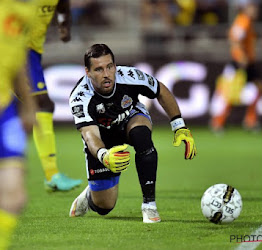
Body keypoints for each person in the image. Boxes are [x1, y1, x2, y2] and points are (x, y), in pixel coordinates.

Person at [68, 44, 197, 223]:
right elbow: (90, 135)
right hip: (102, 138)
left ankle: (149, 205)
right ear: (87, 72)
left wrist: (179, 125)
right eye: (98, 69)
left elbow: (160, 90)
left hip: (131, 118)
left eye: (110, 67)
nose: (106, 74)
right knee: (105, 207)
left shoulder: (129, 76)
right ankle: (91, 195)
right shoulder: (80, 97)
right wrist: (103, 155)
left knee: (142, 136)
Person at [28, 0, 82, 191]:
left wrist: (63, 24)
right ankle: (52, 175)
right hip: (14, 49)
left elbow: (63, 7)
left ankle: (52, 175)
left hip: (32, 53)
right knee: (43, 104)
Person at [0, 0, 36, 249]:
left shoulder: (28, 11)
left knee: (15, 195)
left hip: (5, 111)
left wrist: (29, 106)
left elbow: (18, 58)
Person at [210, 3, 262, 133]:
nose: (256, 10)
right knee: (230, 93)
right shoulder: (243, 20)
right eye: (253, 7)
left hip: (248, 63)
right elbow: (234, 40)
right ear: (247, 8)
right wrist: (241, 56)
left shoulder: (248, 21)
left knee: (259, 87)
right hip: (239, 63)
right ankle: (218, 122)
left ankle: (250, 121)